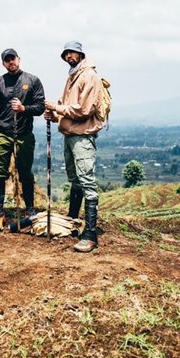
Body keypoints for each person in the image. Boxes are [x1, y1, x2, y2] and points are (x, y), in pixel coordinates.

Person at [44, 40, 105, 254]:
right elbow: (65, 107)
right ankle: (73, 219)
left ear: (80, 54)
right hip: (70, 135)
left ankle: (90, 235)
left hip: (82, 137)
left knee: (86, 180)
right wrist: (54, 114)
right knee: (75, 179)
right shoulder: (72, 76)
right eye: (66, 54)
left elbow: (84, 109)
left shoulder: (89, 76)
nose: (69, 57)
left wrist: (56, 107)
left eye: (73, 53)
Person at [0, 48, 45, 229]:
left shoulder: (32, 80)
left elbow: (40, 107)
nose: (10, 62)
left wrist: (24, 109)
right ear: (3, 63)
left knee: (25, 172)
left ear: (18, 59)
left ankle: (29, 209)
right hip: (3, 133)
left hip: (24, 134)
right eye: (7, 60)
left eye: (12, 59)